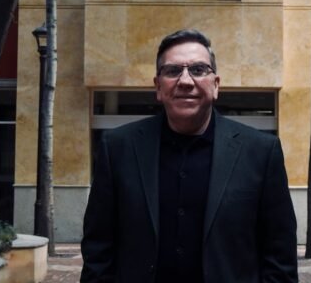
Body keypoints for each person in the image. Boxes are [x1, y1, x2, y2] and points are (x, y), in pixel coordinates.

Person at [80, 29, 298, 283]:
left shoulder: (261, 152)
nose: (185, 80)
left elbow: (280, 256)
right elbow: (98, 250)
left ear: (216, 85)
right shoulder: (118, 148)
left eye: (198, 69)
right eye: (172, 71)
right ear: (158, 87)